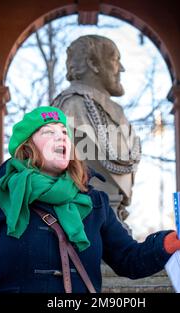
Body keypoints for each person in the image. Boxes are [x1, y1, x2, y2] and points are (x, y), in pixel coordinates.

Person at [0, 106, 180, 293]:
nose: (61, 137)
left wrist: (164, 244)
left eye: (63, 132)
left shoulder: (96, 203)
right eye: (48, 132)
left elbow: (129, 261)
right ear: (27, 147)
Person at [52, 35, 140, 226]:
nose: (121, 68)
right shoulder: (71, 108)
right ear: (93, 63)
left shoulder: (118, 114)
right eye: (115, 59)